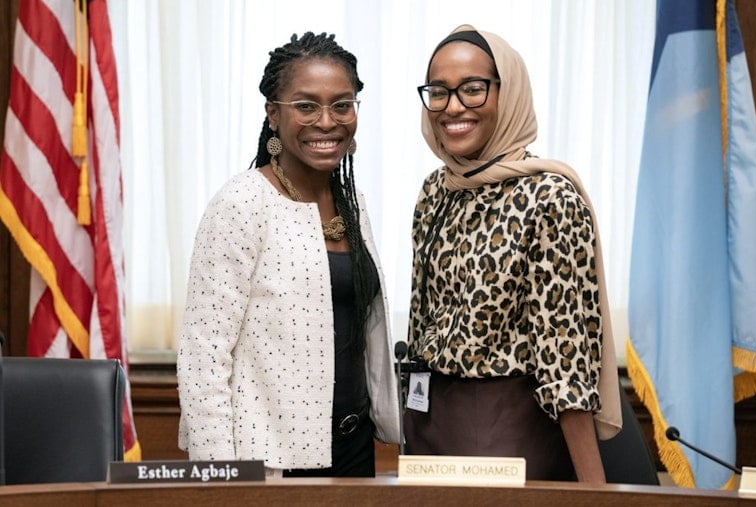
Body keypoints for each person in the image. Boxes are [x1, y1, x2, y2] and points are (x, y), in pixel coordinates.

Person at [404, 24, 622, 483]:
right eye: (439, 92)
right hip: (426, 425)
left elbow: (566, 362)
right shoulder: (436, 191)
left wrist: (596, 493)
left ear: (509, 93)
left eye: (473, 89)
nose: (453, 107)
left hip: (507, 436)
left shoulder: (550, 197)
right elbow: (422, 321)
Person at [176, 31, 399, 477]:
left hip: (355, 449)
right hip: (269, 461)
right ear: (273, 115)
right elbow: (203, 358)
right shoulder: (241, 203)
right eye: (306, 105)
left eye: (342, 104)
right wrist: (224, 477)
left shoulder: (351, 201)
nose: (327, 120)